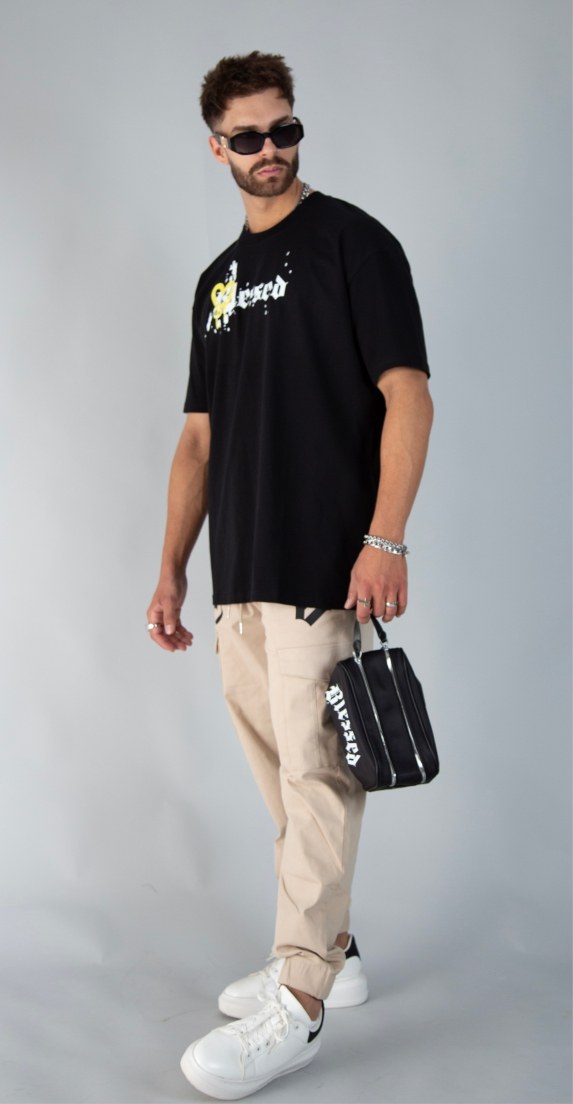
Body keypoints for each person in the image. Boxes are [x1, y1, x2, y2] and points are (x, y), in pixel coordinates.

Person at [146, 50, 434, 1101]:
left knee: (318, 776)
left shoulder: (355, 243)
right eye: (249, 137)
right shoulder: (215, 284)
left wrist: (384, 539)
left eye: (285, 129)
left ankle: (302, 999)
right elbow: (197, 439)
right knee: (283, 777)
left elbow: (408, 394)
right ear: (216, 148)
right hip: (240, 571)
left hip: (322, 559)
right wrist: (172, 569)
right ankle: (334, 951)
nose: (271, 150)